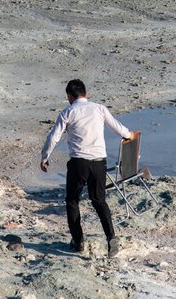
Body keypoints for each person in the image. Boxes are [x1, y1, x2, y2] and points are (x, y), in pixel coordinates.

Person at [41, 79, 131, 257]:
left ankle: (78, 240)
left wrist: (45, 157)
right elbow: (119, 129)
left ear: (69, 96)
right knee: (99, 201)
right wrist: (130, 135)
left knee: (72, 201)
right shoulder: (99, 108)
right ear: (86, 93)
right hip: (99, 163)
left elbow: (54, 137)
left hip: (78, 164)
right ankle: (111, 238)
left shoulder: (68, 111)